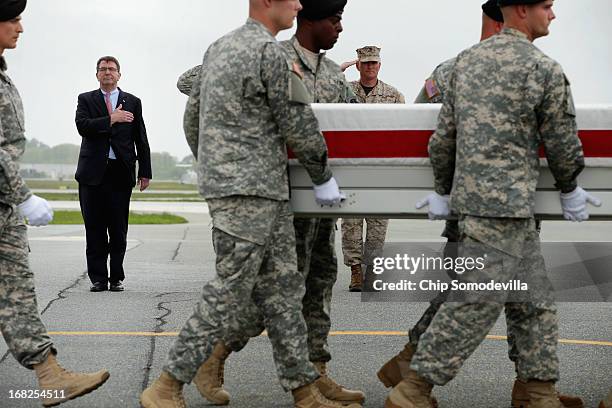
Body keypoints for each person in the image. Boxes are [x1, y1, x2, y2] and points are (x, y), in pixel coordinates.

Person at [385, 1, 601, 407]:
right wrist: (570, 186)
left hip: (481, 207)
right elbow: (561, 139)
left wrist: (442, 188)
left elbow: (442, 139)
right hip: (507, 206)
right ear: (521, 9)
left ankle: (537, 391)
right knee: (476, 302)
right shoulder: (543, 69)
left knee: (534, 299)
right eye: (547, 6)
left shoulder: (462, 65)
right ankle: (412, 389)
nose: (552, 15)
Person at [141, 1, 356, 408]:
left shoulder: (217, 49)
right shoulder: (271, 54)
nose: (297, 4)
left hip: (256, 192)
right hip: (254, 194)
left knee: (283, 291)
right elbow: (296, 121)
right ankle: (167, 384)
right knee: (227, 293)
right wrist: (323, 175)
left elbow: (193, 118)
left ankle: (305, 390)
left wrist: (214, 168)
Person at [0, 1, 110, 406]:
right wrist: (24, 196)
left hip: (3, 211)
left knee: (17, 291)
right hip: (7, 202)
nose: (21, 27)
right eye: (11, 19)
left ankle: (49, 376)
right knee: (15, 290)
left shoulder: (3, 76)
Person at [74, 55, 152, 292]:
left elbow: (141, 137)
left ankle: (116, 277)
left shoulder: (133, 101)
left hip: (120, 173)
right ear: (96, 74)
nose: (107, 72)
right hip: (92, 174)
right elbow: (83, 127)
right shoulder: (86, 99)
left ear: (119, 74)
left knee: (118, 229)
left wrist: (145, 171)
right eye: (103, 69)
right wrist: (112, 118)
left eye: (111, 69)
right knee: (95, 228)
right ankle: (98, 278)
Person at [340, 45, 405, 291]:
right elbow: (322, 94)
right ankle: (356, 271)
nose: (370, 67)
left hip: (381, 169)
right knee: (351, 223)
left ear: (380, 65)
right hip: (352, 167)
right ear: (358, 65)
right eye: (365, 63)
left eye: (374, 63)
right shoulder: (345, 91)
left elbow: (402, 133)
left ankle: (372, 270)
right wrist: (338, 72)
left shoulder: (393, 95)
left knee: (378, 223)